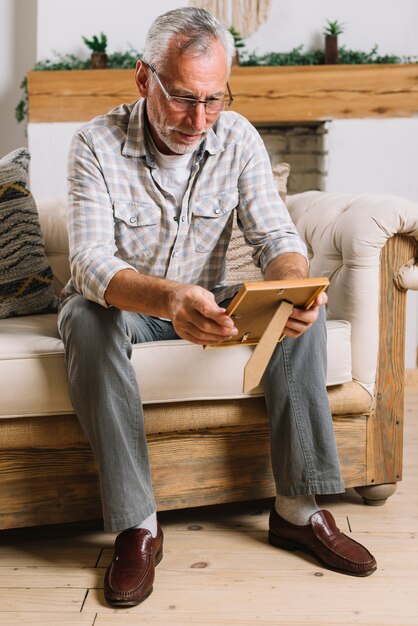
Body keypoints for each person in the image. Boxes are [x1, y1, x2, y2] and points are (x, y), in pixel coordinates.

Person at [58, 6, 376, 609]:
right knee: (81, 314)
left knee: (300, 301)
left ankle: (298, 509)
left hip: (208, 304)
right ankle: (139, 526)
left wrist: (288, 286)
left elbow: (278, 240)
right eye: (181, 98)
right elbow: (90, 264)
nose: (198, 119)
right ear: (141, 78)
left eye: (214, 99)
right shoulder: (93, 144)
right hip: (135, 309)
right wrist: (170, 297)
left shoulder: (237, 136)